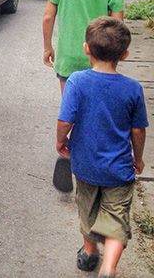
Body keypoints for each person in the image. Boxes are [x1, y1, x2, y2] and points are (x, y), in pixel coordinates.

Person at [56, 17, 147, 278]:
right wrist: (137, 160)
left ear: (86, 48)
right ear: (126, 54)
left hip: (85, 165)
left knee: (87, 210)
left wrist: (61, 142)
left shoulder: (76, 81)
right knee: (116, 217)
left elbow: (65, 120)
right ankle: (109, 268)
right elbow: (138, 130)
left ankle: (90, 253)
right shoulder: (132, 89)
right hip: (118, 170)